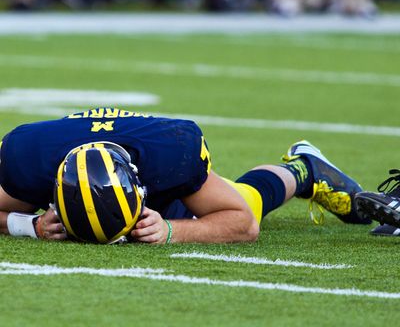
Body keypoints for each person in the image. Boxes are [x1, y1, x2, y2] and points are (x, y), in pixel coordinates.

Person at [0, 108, 370, 244]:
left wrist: (173, 230)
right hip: (54, 158)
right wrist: (25, 225)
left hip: (156, 158)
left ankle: (303, 168)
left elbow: (242, 224)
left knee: (244, 201)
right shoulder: (27, 160)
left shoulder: (171, 154)